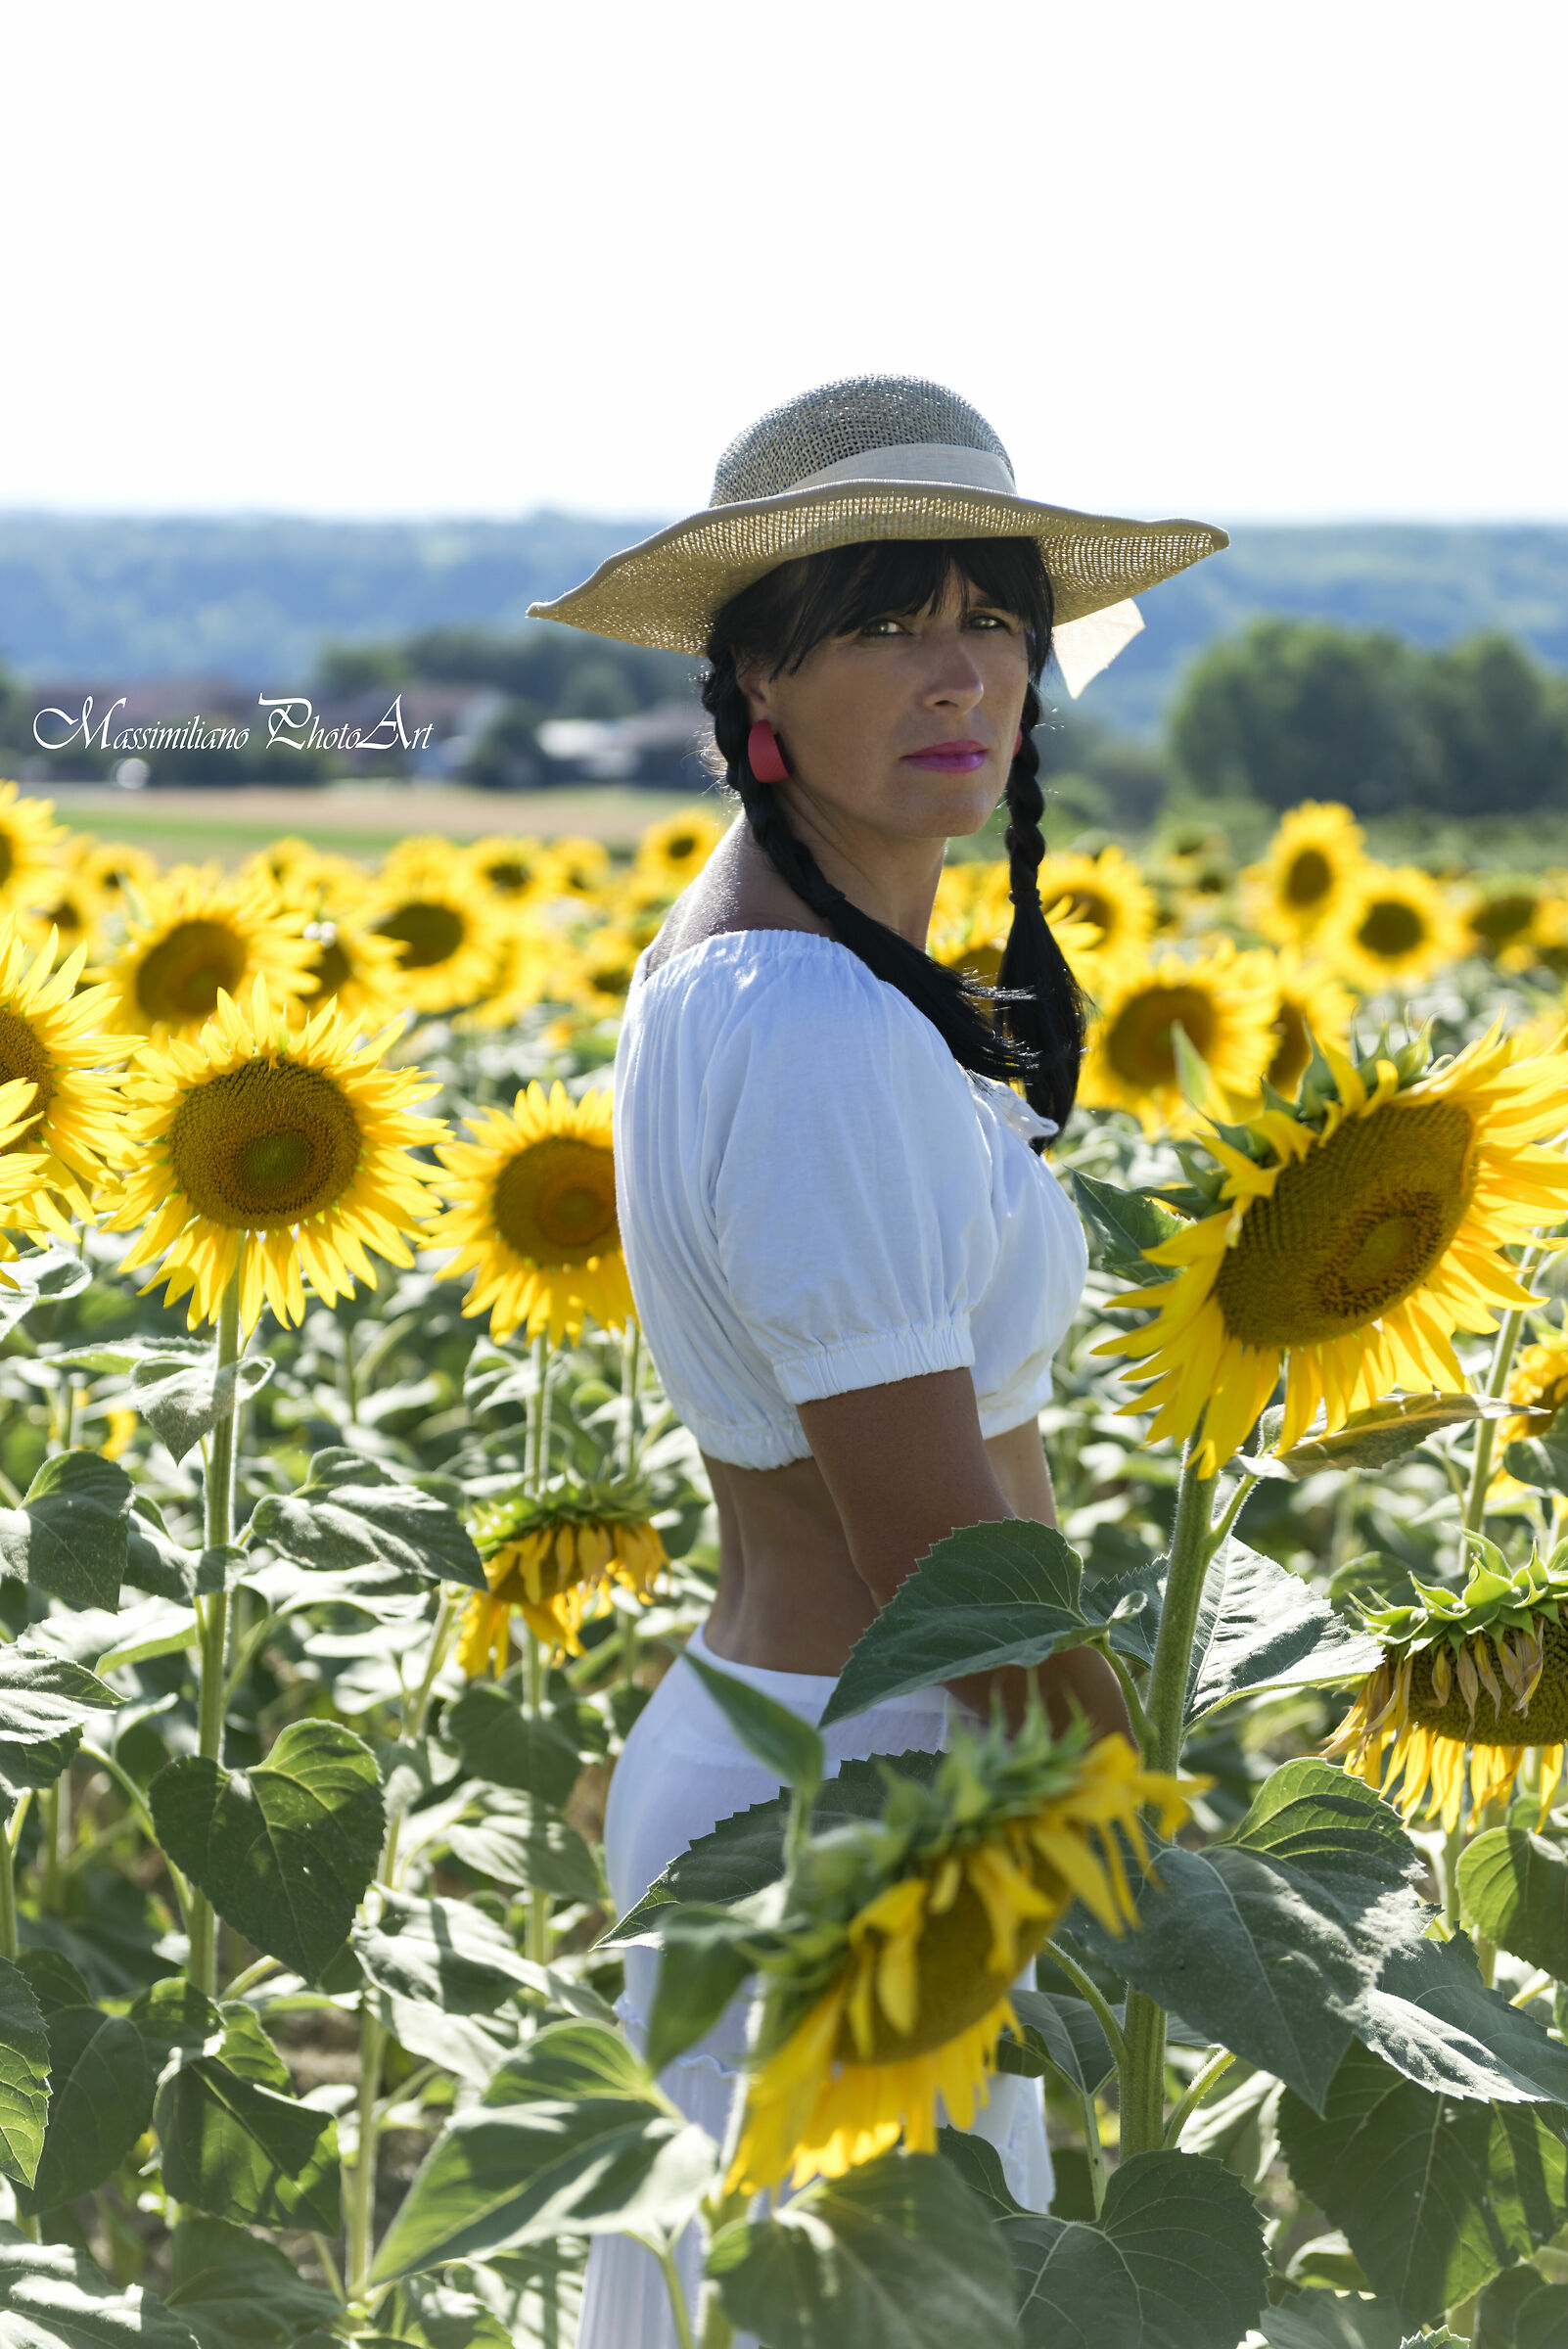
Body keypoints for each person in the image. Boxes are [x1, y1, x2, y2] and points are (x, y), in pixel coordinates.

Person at [529, 375, 1228, 2347]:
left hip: (855, 1770)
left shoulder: (779, 960)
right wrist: (1163, 1867)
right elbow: (942, 1554)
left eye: (991, 618)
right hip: (864, 1802)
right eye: (884, 625)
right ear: (759, 674)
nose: (959, 673)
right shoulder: (813, 1021)